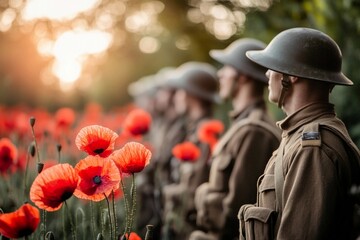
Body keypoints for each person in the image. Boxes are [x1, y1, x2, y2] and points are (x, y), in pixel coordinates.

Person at [238, 27, 360, 240]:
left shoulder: (313, 148)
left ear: (291, 76)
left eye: (273, 66)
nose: (267, 73)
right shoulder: (297, 136)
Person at [189, 39, 281, 240]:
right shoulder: (242, 126)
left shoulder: (255, 132)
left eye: (227, 67)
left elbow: (235, 214)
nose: (220, 74)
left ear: (243, 76)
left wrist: (203, 198)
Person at [162, 61, 220, 240]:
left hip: (191, 227)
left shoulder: (206, 133)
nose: (176, 97)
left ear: (191, 94)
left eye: (180, 91)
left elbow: (195, 188)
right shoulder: (192, 130)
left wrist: (167, 192)